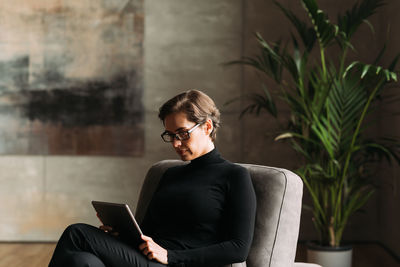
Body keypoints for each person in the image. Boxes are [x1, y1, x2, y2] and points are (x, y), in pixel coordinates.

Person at [48, 89, 257, 267]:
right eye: (171, 135)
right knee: (82, 261)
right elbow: (147, 232)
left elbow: (238, 248)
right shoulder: (170, 174)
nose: (175, 143)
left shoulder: (234, 176)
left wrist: (171, 256)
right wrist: (119, 234)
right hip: (147, 259)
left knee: (77, 233)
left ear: (207, 127)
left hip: (175, 263)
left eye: (183, 133)